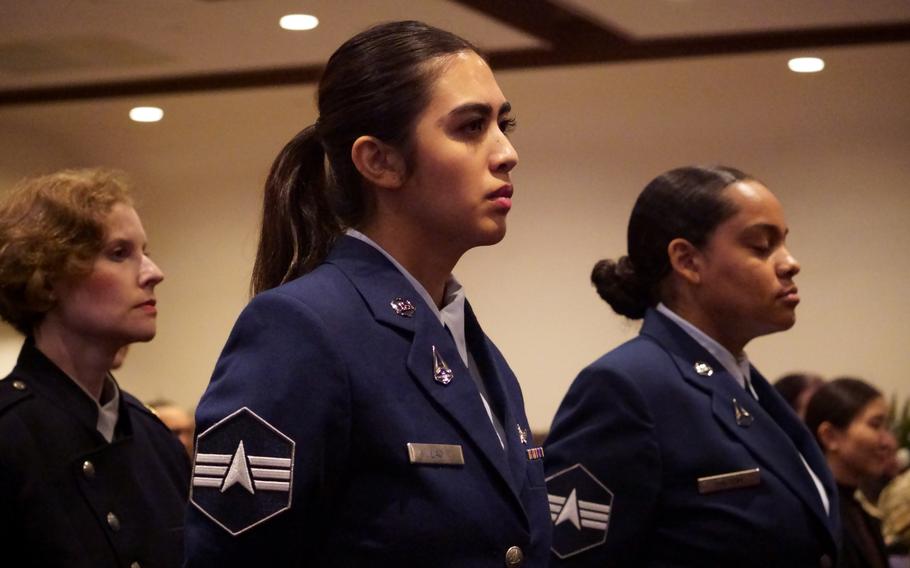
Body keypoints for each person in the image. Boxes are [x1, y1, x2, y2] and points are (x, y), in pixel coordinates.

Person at [184, 21, 549, 566]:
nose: (506, 152)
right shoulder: (301, 328)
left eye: (504, 123)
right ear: (379, 161)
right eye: (471, 126)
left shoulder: (469, 343)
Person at [543, 165, 839, 566]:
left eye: (784, 243)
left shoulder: (746, 385)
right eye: (761, 246)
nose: (790, 264)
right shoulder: (626, 388)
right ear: (688, 261)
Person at [0, 168, 190, 567]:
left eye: (146, 251)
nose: (154, 273)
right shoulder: (9, 434)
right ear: (47, 278)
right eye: (119, 253)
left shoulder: (157, 440)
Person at [806, 378, 893, 568]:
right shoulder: (817, 518)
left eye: (886, 427)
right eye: (875, 425)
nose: (888, 442)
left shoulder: (858, 508)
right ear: (830, 436)